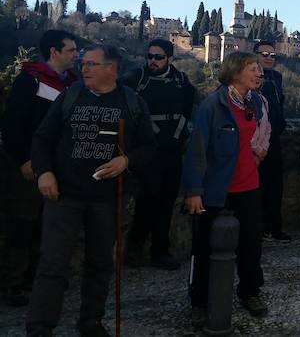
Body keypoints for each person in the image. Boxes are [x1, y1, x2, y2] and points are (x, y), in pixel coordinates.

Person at [26, 45, 156, 336]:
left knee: (100, 264)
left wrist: (126, 160)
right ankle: (39, 328)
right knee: (52, 264)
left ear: (112, 69)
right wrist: (44, 171)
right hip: (64, 194)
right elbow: (42, 138)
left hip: (107, 199)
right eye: (83, 63)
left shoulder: (131, 102)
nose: (83, 68)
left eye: (92, 64)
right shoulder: (70, 96)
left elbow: (149, 147)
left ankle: (91, 322)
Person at [183, 51, 267, 326]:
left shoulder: (254, 102)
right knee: (205, 246)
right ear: (235, 72)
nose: (259, 73)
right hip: (217, 188)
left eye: (258, 69)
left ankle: (250, 291)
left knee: (251, 244)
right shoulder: (212, 106)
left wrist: (257, 155)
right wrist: (194, 190)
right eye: (253, 69)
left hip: (249, 185)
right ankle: (200, 300)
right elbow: (196, 151)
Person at [0, 30, 78, 308]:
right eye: (71, 50)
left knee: (49, 226)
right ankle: (12, 284)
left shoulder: (71, 84)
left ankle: (39, 278)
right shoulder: (30, 80)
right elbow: (12, 125)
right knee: (23, 223)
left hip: (57, 168)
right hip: (29, 168)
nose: (76, 54)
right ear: (54, 52)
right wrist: (23, 159)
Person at [123, 38, 196, 270]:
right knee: (147, 200)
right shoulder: (136, 79)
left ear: (170, 59)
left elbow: (190, 105)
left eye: (158, 57)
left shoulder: (181, 81)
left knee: (166, 201)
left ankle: (160, 251)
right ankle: (135, 249)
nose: (152, 61)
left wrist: (182, 133)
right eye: (150, 56)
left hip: (172, 150)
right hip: (146, 151)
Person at [252, 41, 290, 242]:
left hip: (274, 139)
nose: (269, 57)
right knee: (257, 187)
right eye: (264, 53)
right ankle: (257, 229)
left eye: (272, 55)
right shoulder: (249, 78)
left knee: (275, 185)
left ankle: (274, 227)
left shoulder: (277, 77)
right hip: (255, 143)